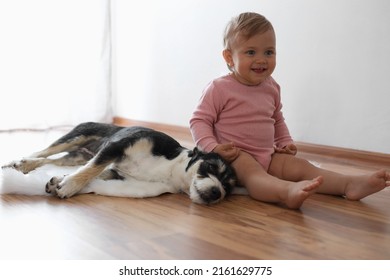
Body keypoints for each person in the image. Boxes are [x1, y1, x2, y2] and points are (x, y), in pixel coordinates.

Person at [190, 12, 390, 209]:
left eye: (269, 52)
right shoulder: (219, 88)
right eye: (251, 52)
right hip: (235, 156)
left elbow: (277, 119)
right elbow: (199, 121)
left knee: (303, 167)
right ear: (229, 57)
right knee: (254, 176)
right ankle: (285, 192)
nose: (261, 59)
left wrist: (284, 142)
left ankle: (348, 184)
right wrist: (213, 147)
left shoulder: (271, 87)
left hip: (267, 154)